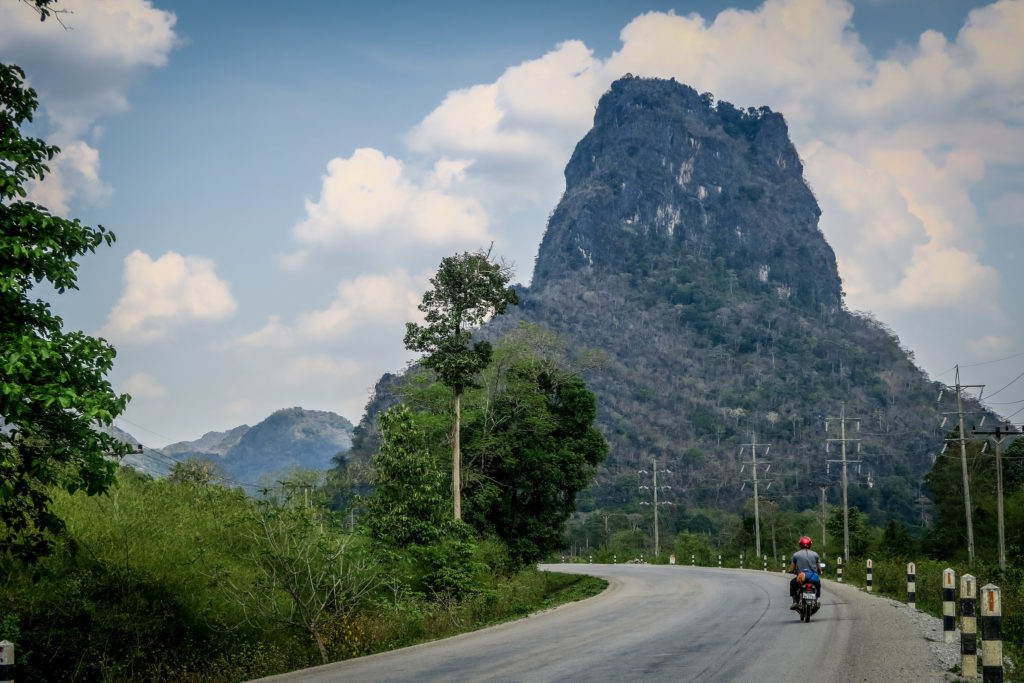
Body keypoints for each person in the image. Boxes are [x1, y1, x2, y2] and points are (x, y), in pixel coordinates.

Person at [788, 536, 821, 610]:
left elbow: (792, 568)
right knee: (818, 584)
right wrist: (820, 572)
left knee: (793, 583)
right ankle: (816, 599)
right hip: (813, 577)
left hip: (801, 577)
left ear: (800, 544)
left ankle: (794, 602)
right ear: (810, 544)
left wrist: (792, 571)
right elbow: (819, 568)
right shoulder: (815, 554)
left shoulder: (796, 555)